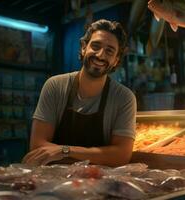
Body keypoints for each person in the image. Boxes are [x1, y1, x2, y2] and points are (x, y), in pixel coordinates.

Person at [22, 19, 137, 167]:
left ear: (116, 60)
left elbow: (120, 156)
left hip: (98, 183)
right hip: (51, 182)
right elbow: (37, 147)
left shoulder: (124, 98)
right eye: (95, 46)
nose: (100, 55)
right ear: (84, 47)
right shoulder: (55, 86)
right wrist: (99, 156)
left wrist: (64, 151)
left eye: (109, 51)